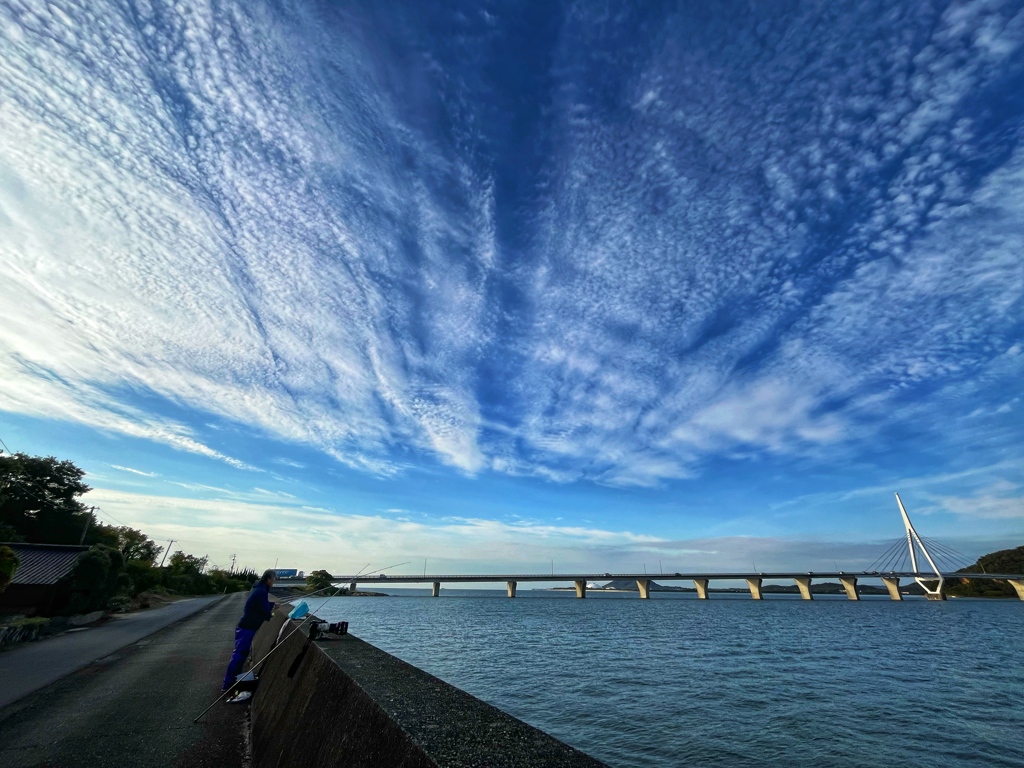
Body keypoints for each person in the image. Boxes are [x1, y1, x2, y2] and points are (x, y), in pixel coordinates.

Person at [222, 569, 277, 691]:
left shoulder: (259, 588)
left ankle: (233, 681)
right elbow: (264, 610)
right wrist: (270, 614)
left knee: (241, 654)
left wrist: (272, 605)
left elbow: (260, 604)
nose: (273, 582)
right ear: (268, 579)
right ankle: (228, 684)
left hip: (247, 626)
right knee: (239, 655)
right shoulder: (261, 590)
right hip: (247, 627)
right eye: (273, 580)